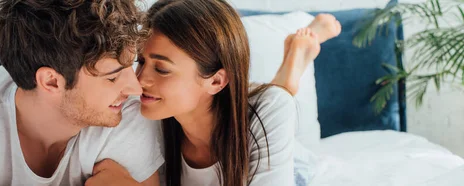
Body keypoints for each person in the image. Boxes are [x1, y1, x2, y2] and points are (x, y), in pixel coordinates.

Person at [0, 0, 164, 185]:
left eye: (130, 67)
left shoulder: (127, 114)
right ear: (51, 81)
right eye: (113, 77)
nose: (135, 88)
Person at [130, 0, 340, 185]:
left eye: (162, 69)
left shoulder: (269, 109)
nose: (138, 80)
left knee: (275, 99)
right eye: (140, 61)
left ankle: (296, 56)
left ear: (216, 81)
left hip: (295, 171)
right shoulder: (151, 114)